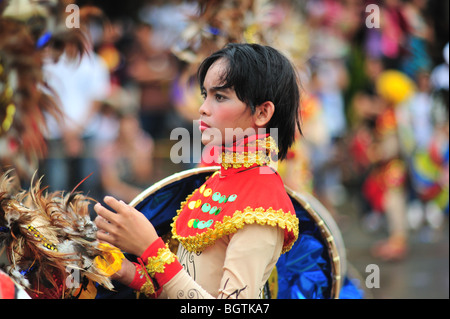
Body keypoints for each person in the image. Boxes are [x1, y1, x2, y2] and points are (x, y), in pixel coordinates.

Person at [94, 43, 301, 299]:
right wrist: (127, 272)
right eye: (205, 95)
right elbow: (190, 284)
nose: (203, 108)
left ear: (262, 112)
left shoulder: (262, 206)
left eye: (220, 97)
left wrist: (151, 249)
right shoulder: (215, 181)